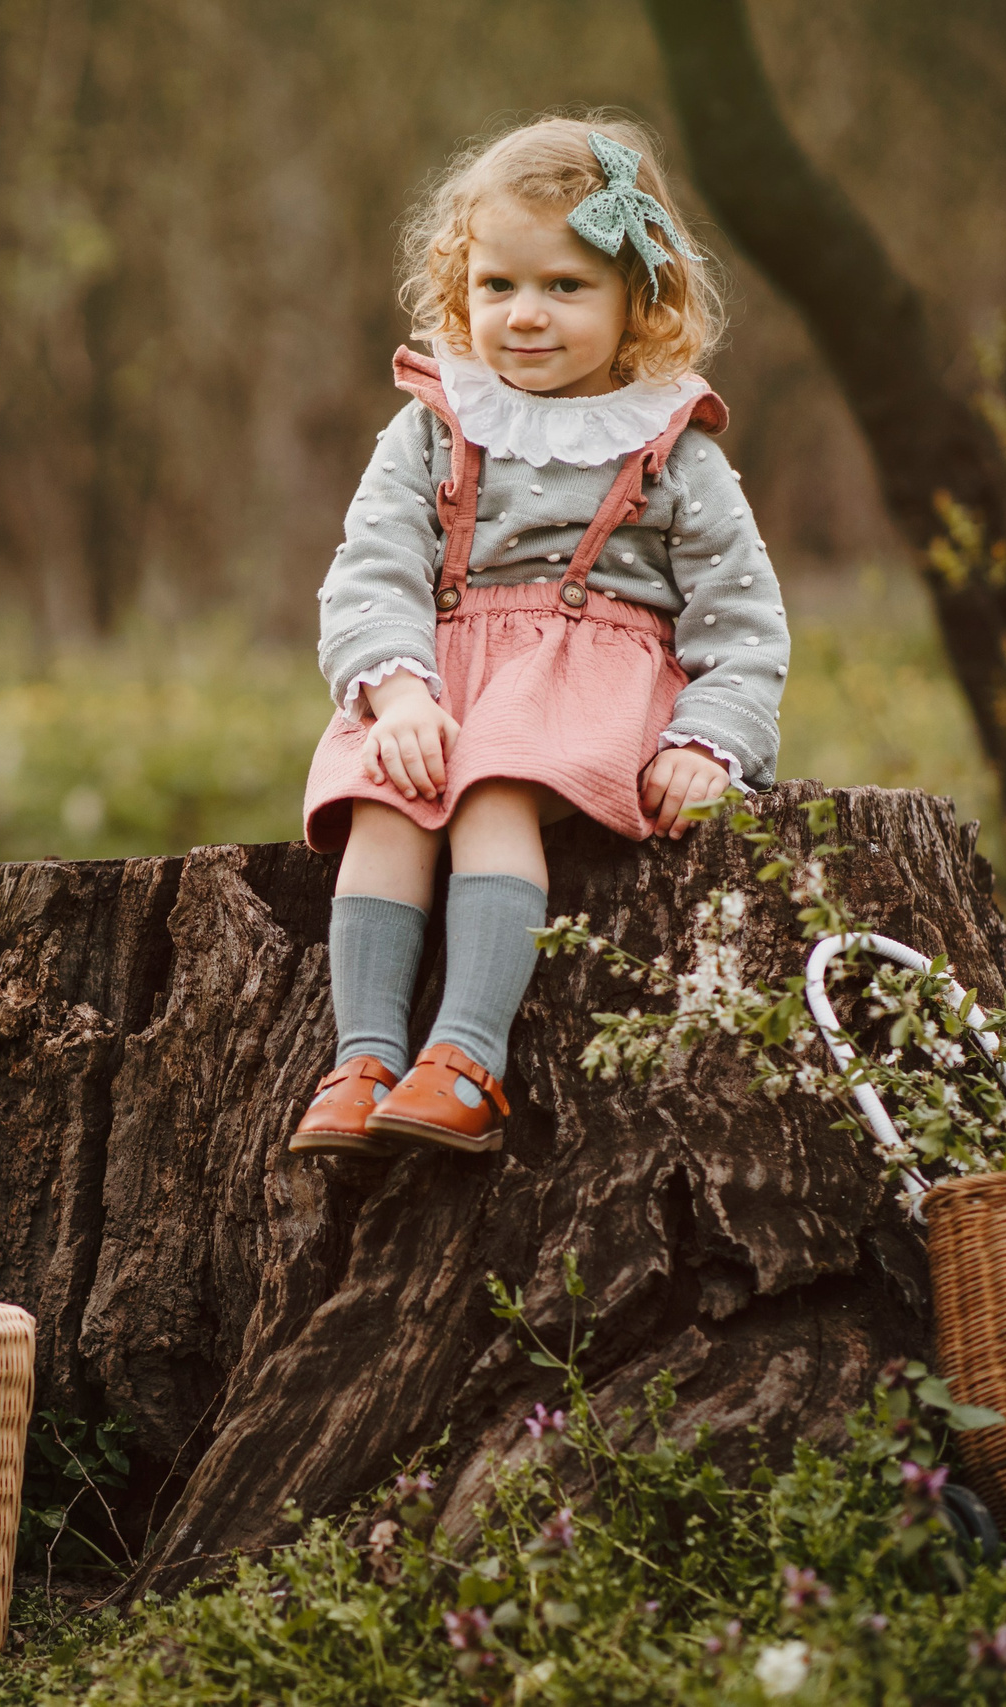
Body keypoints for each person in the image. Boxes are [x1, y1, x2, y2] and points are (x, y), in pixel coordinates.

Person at [294, 114, 789, 1159]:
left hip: (582, 690)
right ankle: (367, 1057)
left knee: (492, 789)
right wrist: (398, 695)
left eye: (566, 287)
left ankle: (469, 1058)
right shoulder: (436, 419)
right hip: (440, 684)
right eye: (498, 286)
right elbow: (372, 568)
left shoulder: (671, 447)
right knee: (386, 802)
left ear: (638, 298)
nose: (525, 316)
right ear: (459, 286)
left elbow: (741, 624)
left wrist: (709, 742)